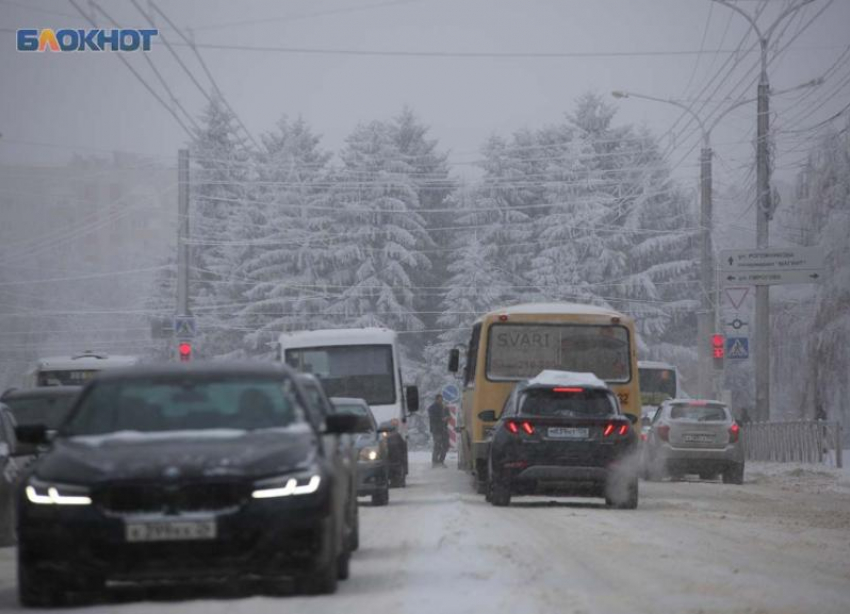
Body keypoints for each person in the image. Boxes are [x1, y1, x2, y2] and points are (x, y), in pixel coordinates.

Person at [428, 393, 449, 468]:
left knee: (446, 445)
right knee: (437, 445)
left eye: (441, 399)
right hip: (436, 429)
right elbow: (432, 418)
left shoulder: (444, 407)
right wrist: (441, 419)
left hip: (444, 429)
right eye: (439, 399)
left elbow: (448, 415)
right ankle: (435, 461)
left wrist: (447, 418)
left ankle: (441, 461)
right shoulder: (432, 408)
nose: (441, 401)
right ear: (436, 399)